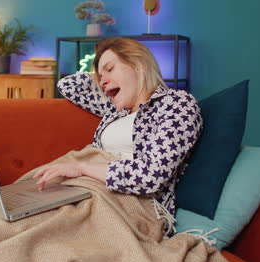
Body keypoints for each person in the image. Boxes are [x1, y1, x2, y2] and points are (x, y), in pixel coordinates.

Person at [32, 37, 203, 225]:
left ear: (138, 65)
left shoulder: (176, 103)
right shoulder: (115, 110)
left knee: (46, 226)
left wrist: (81, 168)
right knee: (26, 213)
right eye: (99, 77)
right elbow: (68, 85)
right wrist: (104, 71)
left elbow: (152, 175)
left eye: (110, 68)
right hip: (91, 189)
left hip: (133, 202)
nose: (102, 82)